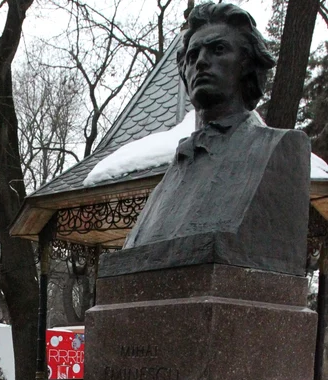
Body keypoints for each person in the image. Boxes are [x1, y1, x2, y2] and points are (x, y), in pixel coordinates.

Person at [100, 2, 311, 278]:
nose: (200, 61)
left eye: (218, 50)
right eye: (192, 55)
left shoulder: (280, 151)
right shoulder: (170, 178)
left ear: (247, 66)